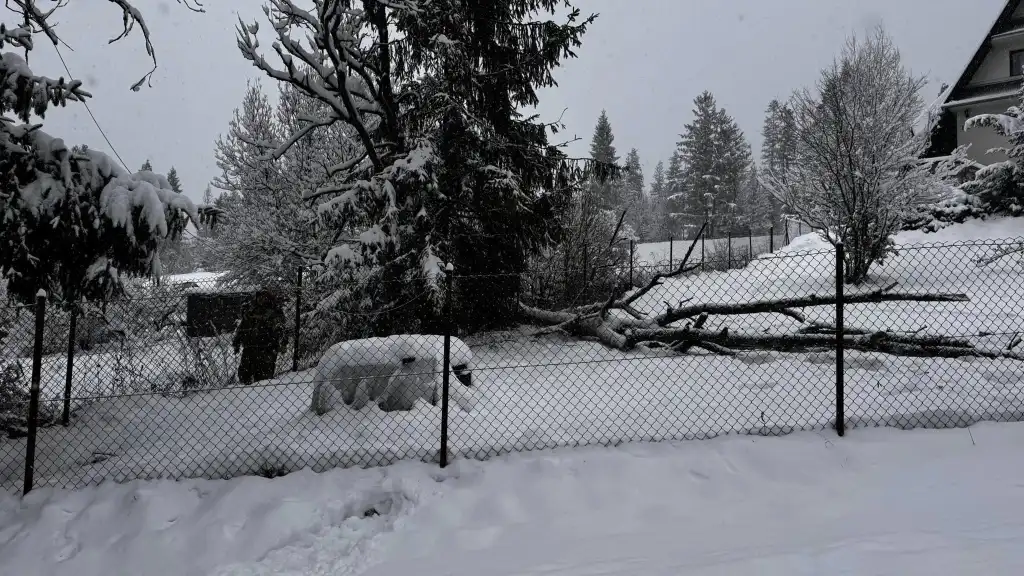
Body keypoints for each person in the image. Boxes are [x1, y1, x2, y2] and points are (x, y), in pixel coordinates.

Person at [232, 289, 286, 385]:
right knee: (244, 375)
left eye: (264, 297)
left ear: (269, 299)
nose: (262, 299)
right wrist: (237, 342)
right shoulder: (250, 310)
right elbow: (242, 327)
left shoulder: (275, 311)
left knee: (264, 379)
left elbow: (282, 330)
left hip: (267, 349)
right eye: (260, 297)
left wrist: (282, 344)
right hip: (249, 348)